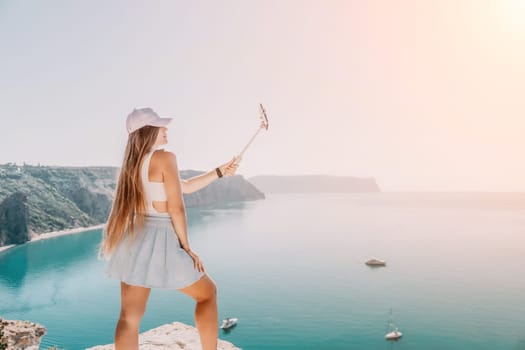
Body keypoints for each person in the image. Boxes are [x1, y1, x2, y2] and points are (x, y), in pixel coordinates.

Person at [97, 107, 238, 350]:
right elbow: (177, 208)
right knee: (207, 294)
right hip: (160, 238)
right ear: (147, 131)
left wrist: (218, 172)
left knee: (129, 318)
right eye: (161, 127)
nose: (166, 130)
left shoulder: (133, 163)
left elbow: (185, 185)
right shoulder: (165, 157)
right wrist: (187, 248)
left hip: (134, 237)